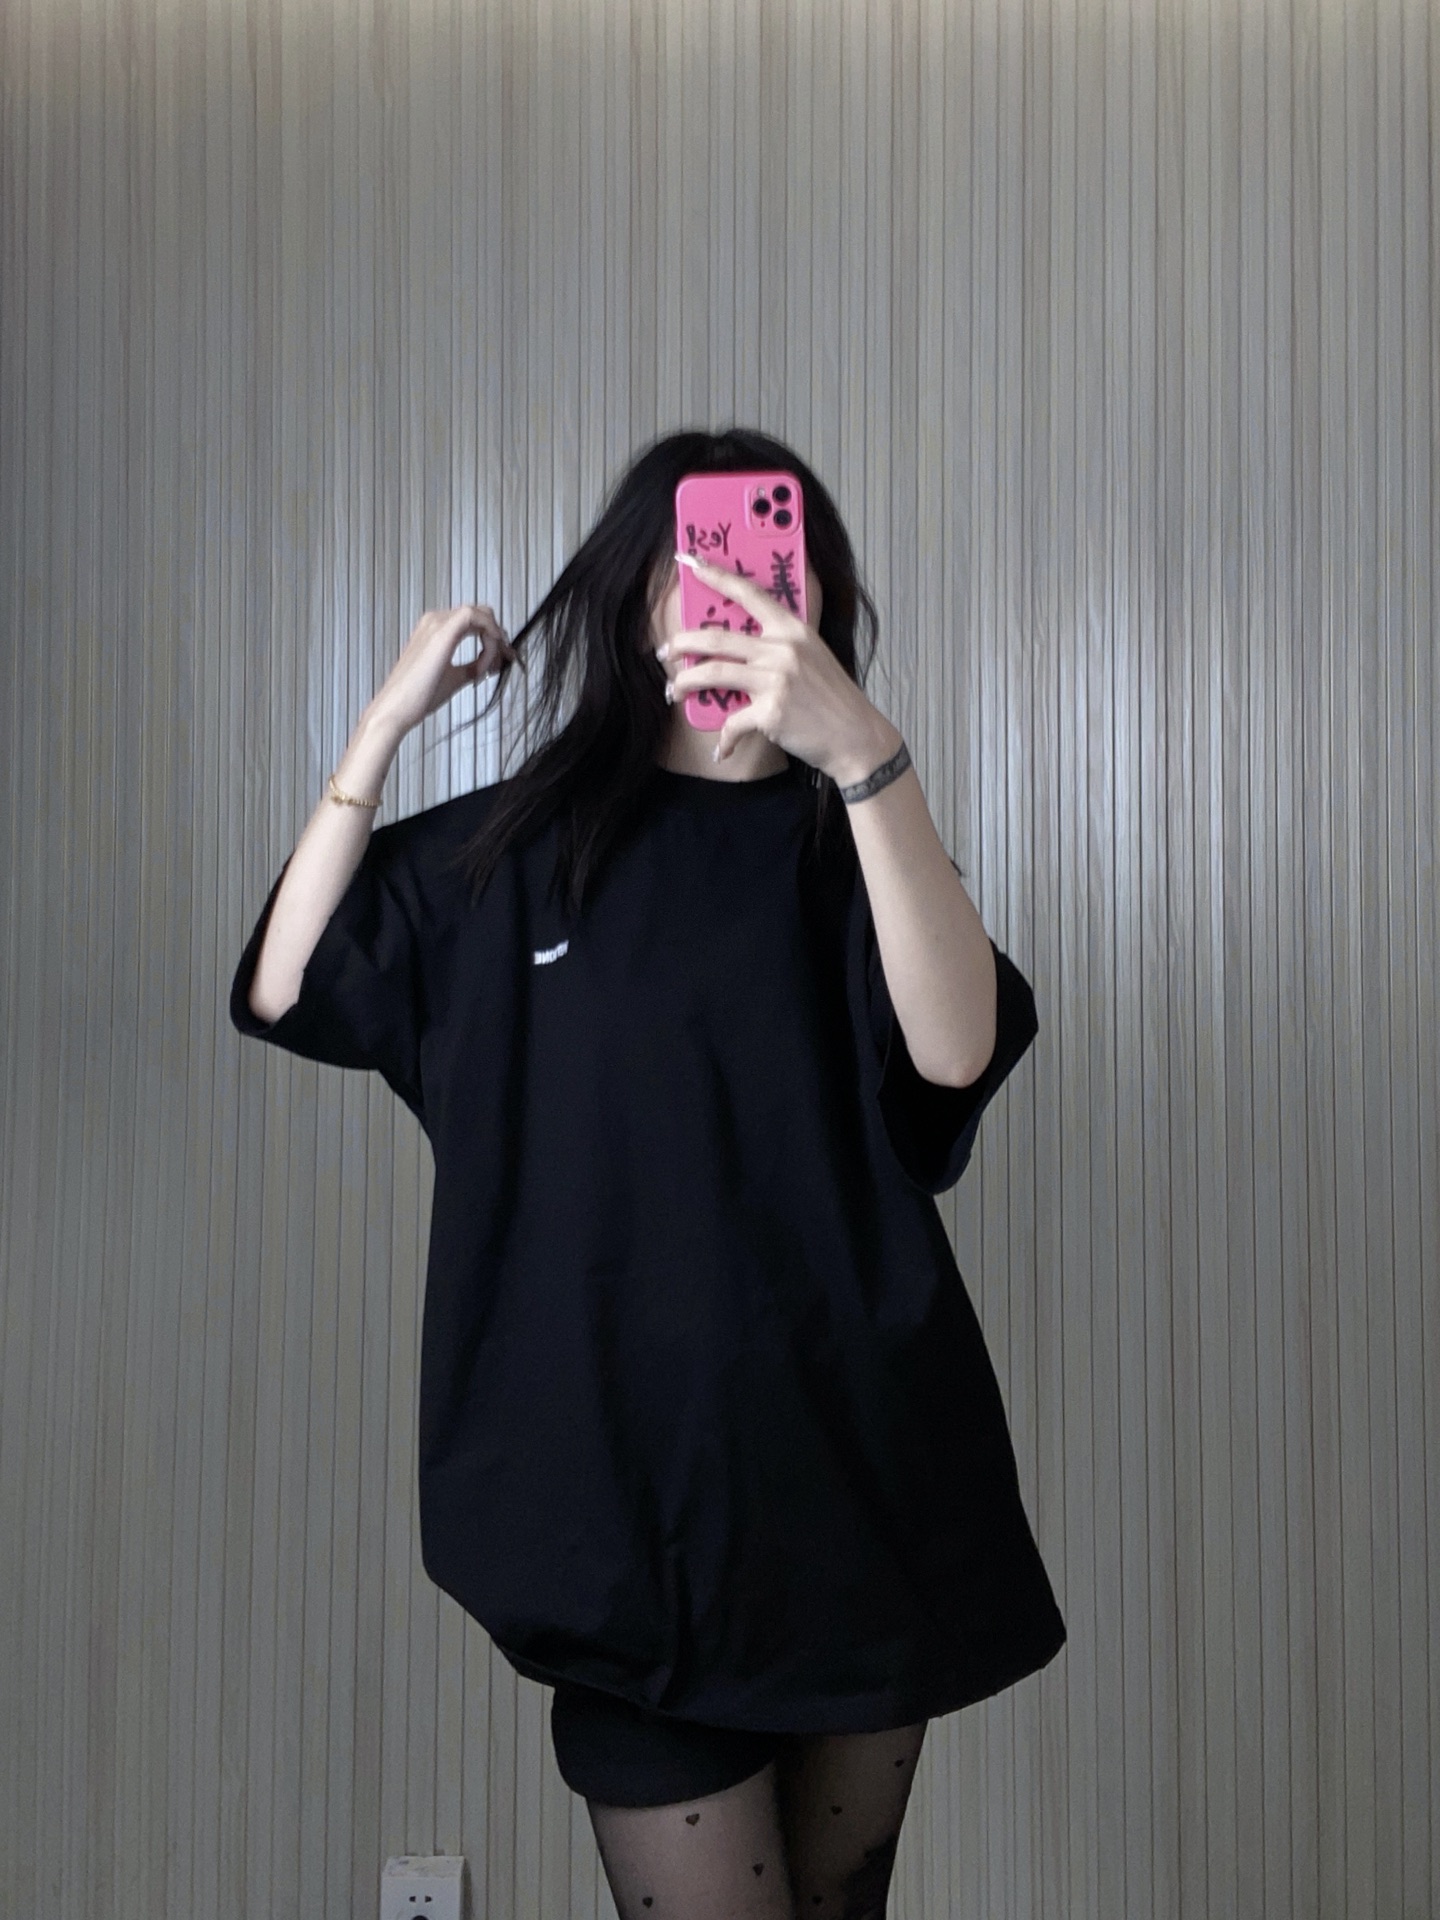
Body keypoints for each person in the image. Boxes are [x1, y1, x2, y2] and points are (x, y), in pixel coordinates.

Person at [230, 427, 1065, 1919]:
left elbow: (954, 1053)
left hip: (862, 1499)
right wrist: (384, 722)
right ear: (633, 601)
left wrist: (865, 758)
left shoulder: (858, 848)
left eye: (767, 559)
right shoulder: (521, 852)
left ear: (817, 595)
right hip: (621, 1533)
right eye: (695, 563)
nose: (728, 595)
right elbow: (286, 983)